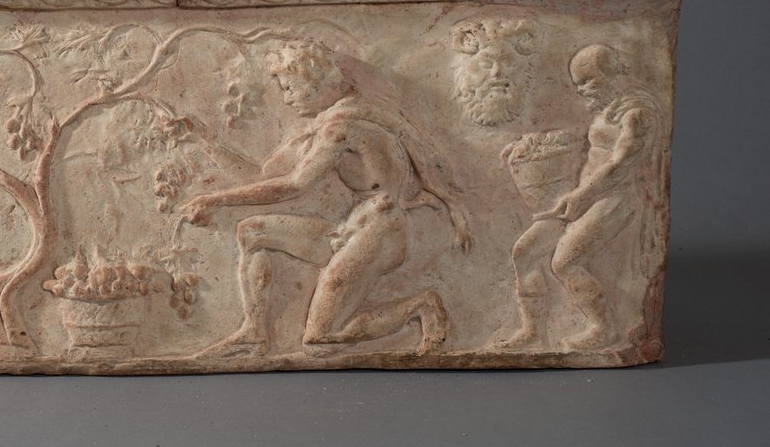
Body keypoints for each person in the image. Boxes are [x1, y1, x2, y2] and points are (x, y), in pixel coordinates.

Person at [180, 40, 472, 357]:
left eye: (290, 88)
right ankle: (254, 332)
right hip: (353, 227)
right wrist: (206, 141)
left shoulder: (342, 126)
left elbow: (294, 185)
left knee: (319, 340)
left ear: (316, 81)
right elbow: (263, 175)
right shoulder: (347, 117)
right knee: (252, 232)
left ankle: (422, 307)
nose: (287, 98)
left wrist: (217, 200)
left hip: (380, 233)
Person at [500, 44, 661, 351]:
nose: (582, 90)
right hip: (581, 196)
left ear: (611, 74)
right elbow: (582, 141)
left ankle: (604, 329)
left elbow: (620, 164)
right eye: (578, 84)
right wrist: (530, 142)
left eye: (588, 81)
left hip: (614, 199)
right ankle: (533, 331)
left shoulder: (638, 114)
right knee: (525, 251)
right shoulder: (608, 109)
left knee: (565, 261)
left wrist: (580, 196)